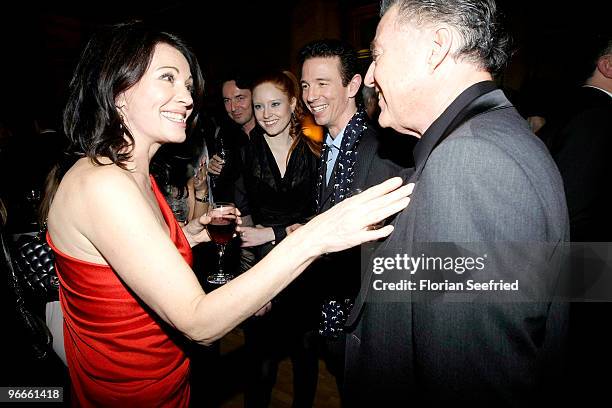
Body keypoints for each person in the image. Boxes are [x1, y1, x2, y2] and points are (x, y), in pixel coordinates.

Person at [46, 20, 411, 406]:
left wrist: (189, 234)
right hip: (130, 394)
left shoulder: (134, 175)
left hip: (168, 382)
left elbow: (127, 256)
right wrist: (313, 236)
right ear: (118, 89)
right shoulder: (104, 184)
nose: (186, 97)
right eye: (167, 78)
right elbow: (199, 322)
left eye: (187, 85)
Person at [343, 0, 570, 406]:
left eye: (377, 56)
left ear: (436, 48)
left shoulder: (470, 161)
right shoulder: (492, 136)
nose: (371, 76)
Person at [298, 39, 404, 400]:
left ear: (353, 86)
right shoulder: (325, 146)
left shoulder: (380, 149)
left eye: (323, 83)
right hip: (331, 313)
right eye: (306, 85)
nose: (311, 95)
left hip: (364, 321)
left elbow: (390, 248)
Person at [234, 70, 321, 407]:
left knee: (305, 356)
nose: (267, 114)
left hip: (305, 267)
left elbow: (321, 218)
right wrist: (251, 284)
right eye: (259, 106)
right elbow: (240, 222)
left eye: (274, 104)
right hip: (264, 267)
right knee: (261, 366)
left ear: (293, 104)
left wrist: (275, 231)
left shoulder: (315, 151)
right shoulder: (246, 153)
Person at [544, 35, 612, 404]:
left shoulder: (571, 109)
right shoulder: (597, 117)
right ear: (608, 66)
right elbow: (574, 209)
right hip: (586, 267)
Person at [207, 74, 257, 202]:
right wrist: (213, 169)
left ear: (255, 97)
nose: (233, 108)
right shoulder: (225, 135)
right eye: (227, 101)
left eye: (240, 98)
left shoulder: (271, 133)